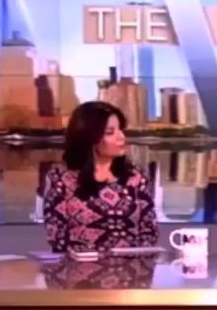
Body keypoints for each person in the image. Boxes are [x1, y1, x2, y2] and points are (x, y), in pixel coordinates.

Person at [42, 101, 159, 253]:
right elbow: (57, 236)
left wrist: (134, 261)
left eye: (120, 129)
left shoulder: (136, 177)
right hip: (77, 265)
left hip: (131, 265)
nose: (121, 137)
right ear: (89, 138)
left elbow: (149, 231)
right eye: (110, 132)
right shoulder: (61, 178)